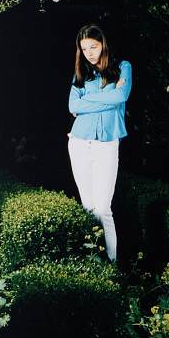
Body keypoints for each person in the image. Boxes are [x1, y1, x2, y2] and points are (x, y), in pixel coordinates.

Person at [68, 24, 132, 263]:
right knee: (88, 208)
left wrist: (88, 99)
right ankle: (94, 264)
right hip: (79, 142)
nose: (89, 53)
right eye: (84, 49)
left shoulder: (123, 67)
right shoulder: (81, 73)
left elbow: (121, 96)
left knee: (103, 209)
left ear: (103, 44)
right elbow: (72, 105)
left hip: (106, 144)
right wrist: (107, 99)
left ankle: (111, 266)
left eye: (93, 47)